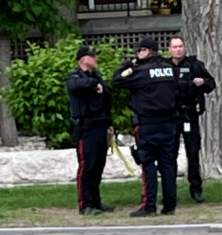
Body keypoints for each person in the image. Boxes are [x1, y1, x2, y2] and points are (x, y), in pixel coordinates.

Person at [112, 37, 179, 217]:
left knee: (148, 164)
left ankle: (149, 206)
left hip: (147, 124)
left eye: (139, 50)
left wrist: (128, 64)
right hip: (168, 123)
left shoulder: (140, 71)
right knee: (168, 165)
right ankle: (169, 205)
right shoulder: (169, 69)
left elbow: (116, 80)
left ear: (148, 51)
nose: (137, 53)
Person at [167, 36, 215, 203]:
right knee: (169, 154)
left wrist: (203, 82)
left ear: (184, 48)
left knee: (193, 152)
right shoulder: (165, 67)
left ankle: (196, 189)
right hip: (171, 116)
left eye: (180, 46)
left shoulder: (195, 65)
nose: (178, 49)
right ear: (169, 50)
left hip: (190, 115)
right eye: (174, 47)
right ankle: (169, 191)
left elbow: (211, 84)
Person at [66, 45, 114, 216]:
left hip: (100, 125)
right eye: (92, 56)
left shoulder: (97, 76)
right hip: (85, 127)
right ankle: (85, 204)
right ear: (83, 59)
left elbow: (106, 99)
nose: (95, 59)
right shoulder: (75, 76)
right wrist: (94, 84)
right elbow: (75, 85)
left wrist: (109, 123)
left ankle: (96, 201)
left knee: (98, 166)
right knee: (87, 166)